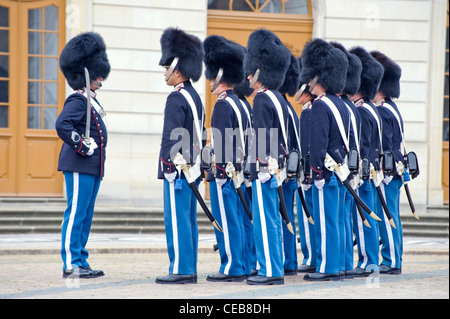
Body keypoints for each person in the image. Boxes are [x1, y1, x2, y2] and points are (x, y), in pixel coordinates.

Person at [56, 32, 110, 279]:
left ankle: (81, 259)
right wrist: (82, 145)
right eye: (97, 74)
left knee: (85, 216)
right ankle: (71, 264)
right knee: (76, 213)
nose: (101, 77)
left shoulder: (90, 101)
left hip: (91, 167)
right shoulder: (78, 100)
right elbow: (62, 125)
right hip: (79, 164)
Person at [155, 27, 205, 284]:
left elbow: (171, 137)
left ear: (178, 68)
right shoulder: (195, 96)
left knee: (176, 220)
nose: (165, 73)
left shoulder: (176, 98)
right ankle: (188, 265)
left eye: (167, 68)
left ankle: (181, 268)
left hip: (178, 169)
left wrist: (166, 165)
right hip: (193, 168)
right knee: (188, 220)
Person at [299, 38, 349, 282]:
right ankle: (336, 264)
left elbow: (317, 143)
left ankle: (327, 268)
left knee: (325, 221)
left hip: (326, 173)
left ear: (318, 77)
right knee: (336, 220)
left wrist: (315, 172)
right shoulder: (340, 103)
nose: (308, 82)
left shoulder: (320, 106)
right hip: (339, 172)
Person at [243, 29, 291, 285]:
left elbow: (262, 137)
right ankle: (274, 267)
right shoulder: (278, 98)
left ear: (261, 70)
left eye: (252, 70)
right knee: (272, 219)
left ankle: (270, 270)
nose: (248, 75)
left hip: (264, 170)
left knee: (265, 221)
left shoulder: (262, 99)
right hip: (275, 168)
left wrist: (260, 166)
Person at [203, 35, 249, 282]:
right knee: (238, 220)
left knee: (227, 221)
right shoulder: (240, 104)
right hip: (240, 172)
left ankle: (232, 266)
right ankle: (240, 263)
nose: (210, 80)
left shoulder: (223, 105)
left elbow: (220, 143)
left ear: (219, 76)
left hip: (225, 173)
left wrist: (219, 173)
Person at [349, 46, 385, 276]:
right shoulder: (371, 109)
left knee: (363, 219)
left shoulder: (362, 111)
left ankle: (367, 262)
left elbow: (362, 147)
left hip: (363, 173)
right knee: (369, 216)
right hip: (371, 171)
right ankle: (370, 260)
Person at [331, 41, 363, 279]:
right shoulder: (349, 107)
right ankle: (344, 262)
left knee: (336, 219)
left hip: (340, 168)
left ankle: (339, 264)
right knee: (342, 219)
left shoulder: (336, 106)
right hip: (348, 167)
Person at [371, 50, 404, 275]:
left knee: (387, 215)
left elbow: (385, 145)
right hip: (393, 169)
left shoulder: (383, 111)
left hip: (387, 170)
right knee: (390, 213)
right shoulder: (391, 108)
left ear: (380, 89)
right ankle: (394, 257)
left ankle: (391, 260)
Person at [278, 54, 301, 276]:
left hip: (280, 173)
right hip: (288, 171)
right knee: (286, 217)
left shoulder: (279, 108)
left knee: (281, 216)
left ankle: (286, 260)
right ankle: (290, 260)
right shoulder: (289, 108)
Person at [233, 73, 258, 278]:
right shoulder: (246, 106)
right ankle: (248, 261)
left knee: (236, 219)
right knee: (246, 220)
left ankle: (235, 265)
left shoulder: (228, 104)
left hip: (234, 170)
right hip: (247, 167)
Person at [295, 57, 316, 274]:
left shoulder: (311, 109)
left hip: (309, 171)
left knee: (308, 216)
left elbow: (309, 143)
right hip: (309, 168)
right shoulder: (308, 108)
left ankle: (311, 256)